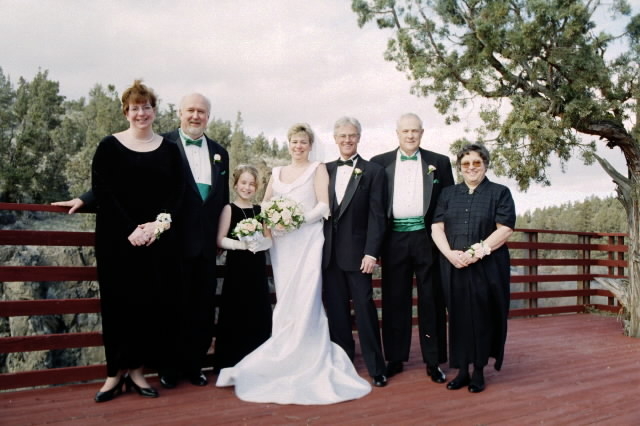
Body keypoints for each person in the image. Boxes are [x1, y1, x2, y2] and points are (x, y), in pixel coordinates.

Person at [53, 92, 230, 388]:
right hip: (171, 241)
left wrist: (221, 238)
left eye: (201, 111)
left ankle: (195, 366)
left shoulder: (220, 152)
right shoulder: (164, 143)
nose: (195, 116)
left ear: (208, 116)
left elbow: (223, 199)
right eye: (190, 110)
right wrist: (85, 198)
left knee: (202, 307)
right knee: (170, 307)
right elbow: (130, 177)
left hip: (205, 244)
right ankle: (168, 368)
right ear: (179, 113)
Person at [216, 123, 371, 405]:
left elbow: (323, 206)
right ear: (288, 144)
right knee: (287, 296)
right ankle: (283, 350)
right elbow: (265, 206)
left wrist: (296, 220)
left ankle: (307, 354)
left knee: (307, 295)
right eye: (294, 141)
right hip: (283, 246)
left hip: (308, 241)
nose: (298, 146)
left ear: (310, 145)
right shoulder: (277, 173)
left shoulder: (317, 169)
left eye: (303, 142)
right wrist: (271, 224)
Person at [91, 80, 184, 402]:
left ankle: (137, 372)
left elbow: (178, 194)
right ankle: (113, 375)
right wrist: (129, 229)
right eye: (135, 108)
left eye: (146, 107)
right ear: (126, 112)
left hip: (155, 243)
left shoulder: (169, 150)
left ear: (154, 111)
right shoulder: (109, 146)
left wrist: (158, 225)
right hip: (117, 241)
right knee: (117, 306)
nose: (141, 113)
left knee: (147, 307)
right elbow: (103, 192)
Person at [370, 113, 454, 383]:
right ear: (397, 133)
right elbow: (373, 207)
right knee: (395, 299)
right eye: (405, 131)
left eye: (414, 131)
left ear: (422, 133)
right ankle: (395, 358)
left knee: (432, 299)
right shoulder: (379, 163)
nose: (410, 135)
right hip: (393, 239)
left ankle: (433, 361)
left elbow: (448, 204)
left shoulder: (439, 162)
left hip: (427, 238)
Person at [431, 143, 515, 393]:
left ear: (485, 165)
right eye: (465, 164)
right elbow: (437, 227)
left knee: (481, 316)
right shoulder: (447, 194)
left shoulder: (500, 192)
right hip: (453, 264)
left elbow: (505, 229)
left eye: (476, 162)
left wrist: (474, 254)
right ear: (459, 167)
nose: (471, 168)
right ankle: (462, 371)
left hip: (487, 266)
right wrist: (449, 254)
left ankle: (478, 371)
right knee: (457, 317)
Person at [322, 117, 387, 387]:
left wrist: (371, 253)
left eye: (352, 135)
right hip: (328, 256)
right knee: (336, 313)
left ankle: (376, 367)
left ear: (359, 138)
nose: (347, 140)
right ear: (335, 139)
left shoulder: (373, 171)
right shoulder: (324, 170)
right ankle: (343, 364)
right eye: (342, 136)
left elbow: (378, 216)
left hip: (359, 256)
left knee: (365, 311)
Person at [214, 165, 272, 371]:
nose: (247, 187)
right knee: (236, 311)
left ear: (256, 187)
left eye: (251, 184)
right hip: (237, 270)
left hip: (256, 270)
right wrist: (241, 245)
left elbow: (269, 238)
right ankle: (232, 362)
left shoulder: (260, 210)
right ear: (236, 184)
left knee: (257, 311)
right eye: (244, 183)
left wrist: (260, 244)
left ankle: (258, 362)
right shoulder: (229, 209)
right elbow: (220, 239)